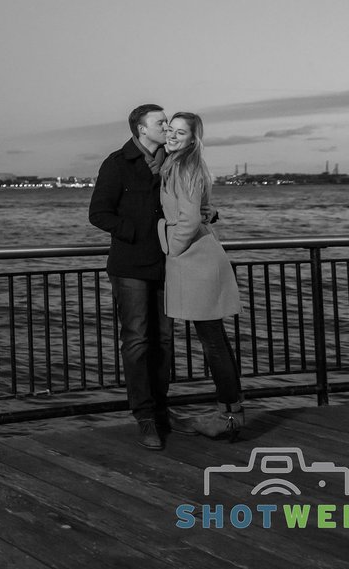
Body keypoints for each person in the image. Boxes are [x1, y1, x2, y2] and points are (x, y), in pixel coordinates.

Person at [89, 104, 185, 450]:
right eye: (160, 122)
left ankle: (162, 409)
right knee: (137, 340)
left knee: (163, 339)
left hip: (165, 263)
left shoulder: (172, 163)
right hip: (130, 266)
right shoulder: (117, 163)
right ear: (141, 129)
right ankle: (144, 416)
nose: (167, 126)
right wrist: (136, 231)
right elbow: (98, 213)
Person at [159, 112, 244, 440]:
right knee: (216, 340)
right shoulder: (184, 165)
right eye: (171, 130)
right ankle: (231, 412)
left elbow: (190, 219)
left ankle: (229, 417)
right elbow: (203, 210)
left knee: (213, 342)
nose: (172, 136)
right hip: (200, 258)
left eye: (181, 132)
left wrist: (172, 249)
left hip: (195, 261)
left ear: (193, 138)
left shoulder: (183, 166)